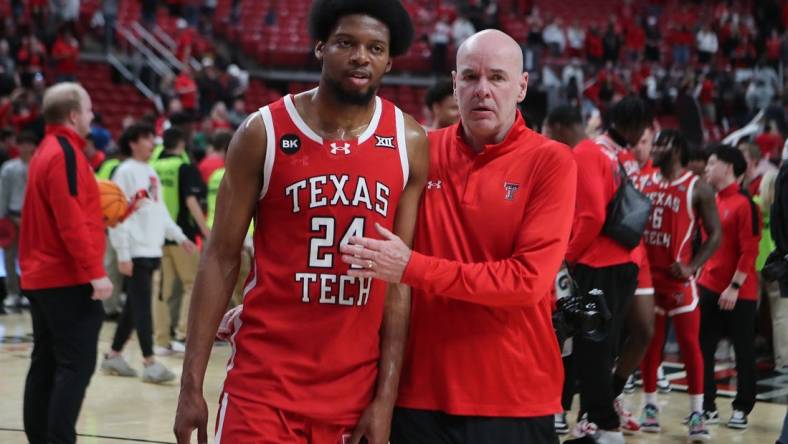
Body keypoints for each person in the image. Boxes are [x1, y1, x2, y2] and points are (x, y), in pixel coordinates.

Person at [173, 1, 428, 443]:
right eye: (346, 43)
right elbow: (220, 257)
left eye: (375, 48)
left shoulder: (409, 141)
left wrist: (384, 401)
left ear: (389, 60)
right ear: (319, 47)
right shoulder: (262, 132)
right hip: (262, 387)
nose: (360, 57)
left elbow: (398, 281)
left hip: (352, 391)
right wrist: (190, 384)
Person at [342, 29, 577, 444]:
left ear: (521, 87)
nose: (482, 90)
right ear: (454, 83)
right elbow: (351, 230)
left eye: (498, 78)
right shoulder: (419, 152)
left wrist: (411, 266)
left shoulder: (551, 161)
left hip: (515, 397)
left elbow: (527, 282)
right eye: (470, 77)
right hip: (418, 396)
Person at [19, 82, 113, 444]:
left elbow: (72, 214)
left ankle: (41, 438)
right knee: (76, 364)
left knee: (45, 364)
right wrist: (95, 272)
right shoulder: (65, 153)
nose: (92, 116)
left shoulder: (46, 150)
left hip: (41, 277)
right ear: (74, 115)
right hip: (65, 277)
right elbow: (69, 219)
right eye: (88, 110)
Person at [564, 97, 652, 442]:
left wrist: (568, 258)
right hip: (627, 263)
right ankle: (602, 425)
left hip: (597, 262)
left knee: (590, 349)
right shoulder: (626, 158)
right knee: (604, 346)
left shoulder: (589, 152)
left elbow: (591, 217)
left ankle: (605, 427)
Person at [637, 129, 721, 441]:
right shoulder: (644, 182)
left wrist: (692, 266)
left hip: (678, 282)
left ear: (677, 149)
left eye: (661, 143)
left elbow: (715, 234)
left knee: (689, 347)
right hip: (648, 280)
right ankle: (649, 407)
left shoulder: (696, 187)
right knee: (650, 346)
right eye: (654, 142)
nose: (655, 148)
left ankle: (697, 413)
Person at [102, 123, 196, 383]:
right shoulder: (125, 172)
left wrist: (180, 237)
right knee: (142, 307)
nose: (151, 142)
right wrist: (122, 253)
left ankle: (113, 355)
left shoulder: (151, 171)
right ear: (132, 142)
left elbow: (160, 212)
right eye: (146, 138)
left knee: (134, 306)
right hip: (134, 250)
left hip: (152, 247)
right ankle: (149, 362)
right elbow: (117, 215)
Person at [698, 145, 761, 430]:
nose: (707, 168)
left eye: (712, 163)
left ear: (727, 167)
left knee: (743, 351)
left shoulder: (746, 204)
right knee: (703, 348)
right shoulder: (710, 201)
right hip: (707, 286)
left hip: (739, 293)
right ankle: (706, 405)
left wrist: (734, 286)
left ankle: (742, 407)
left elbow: (750, 251)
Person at [151, 126, 208, 355]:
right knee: (191, 286)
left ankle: (161, 340)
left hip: (157, 236)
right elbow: (191, 202)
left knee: (162, 291)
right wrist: (206, 231)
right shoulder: (184, 167)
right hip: (182, 235)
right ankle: (184, 335)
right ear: (182, 144)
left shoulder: (153, 167)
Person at [0, 130, 36, 308]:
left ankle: (28, 292)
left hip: (34, 219)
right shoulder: (8, 167)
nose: (26, 147)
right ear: (17, 145)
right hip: (12, 215)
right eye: (22, 143)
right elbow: (3, 193)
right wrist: (2, 218)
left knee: (30, 258)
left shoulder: (39, 165)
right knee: (9, 257)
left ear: (34, 146)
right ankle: (12, 293)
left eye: (29, 143)